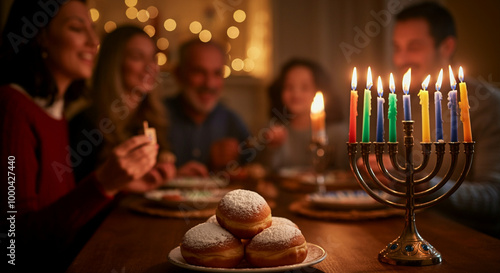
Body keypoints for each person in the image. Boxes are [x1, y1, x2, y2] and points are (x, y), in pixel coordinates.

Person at [0, 1, 164, 271]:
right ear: (40, 35)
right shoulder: (13, 107)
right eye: (77, 28)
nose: (93, 41)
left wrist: (121, 184)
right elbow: (14, 243)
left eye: (93, 30)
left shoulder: (56, 112)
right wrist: (103, 184)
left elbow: (61, 214)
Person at [389, 2, 500, 238]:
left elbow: (494, 198)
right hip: (411, 232)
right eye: (397, 48)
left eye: (414, 47)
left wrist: (424, 184)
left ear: (447, 46)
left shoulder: (488, 105)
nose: (401, 59)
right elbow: (401, 169)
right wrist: (386, 171)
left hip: (474, 242)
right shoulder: (402, 103)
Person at [69, 25, 175, 184]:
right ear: (114, 63)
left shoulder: (152, 117)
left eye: (153, 58)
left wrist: (172, 172)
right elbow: (78, 192)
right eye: (138, 57)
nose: (151, 67)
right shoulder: (86, 123)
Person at [165, 39, 250, 177]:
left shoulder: (232, 121)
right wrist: (172, 175)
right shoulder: (156, 116)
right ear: (178, 74)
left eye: (217, 73)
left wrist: (234, 165)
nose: (209, 84)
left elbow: (253, 169)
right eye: (199, 72)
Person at [262, 58, 348, 172]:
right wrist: (273, 147)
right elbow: (266, 171)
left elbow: (346, 173)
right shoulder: (274, 131)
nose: (296, 94)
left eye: (305, 87)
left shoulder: (339, 134)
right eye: (289, 87)